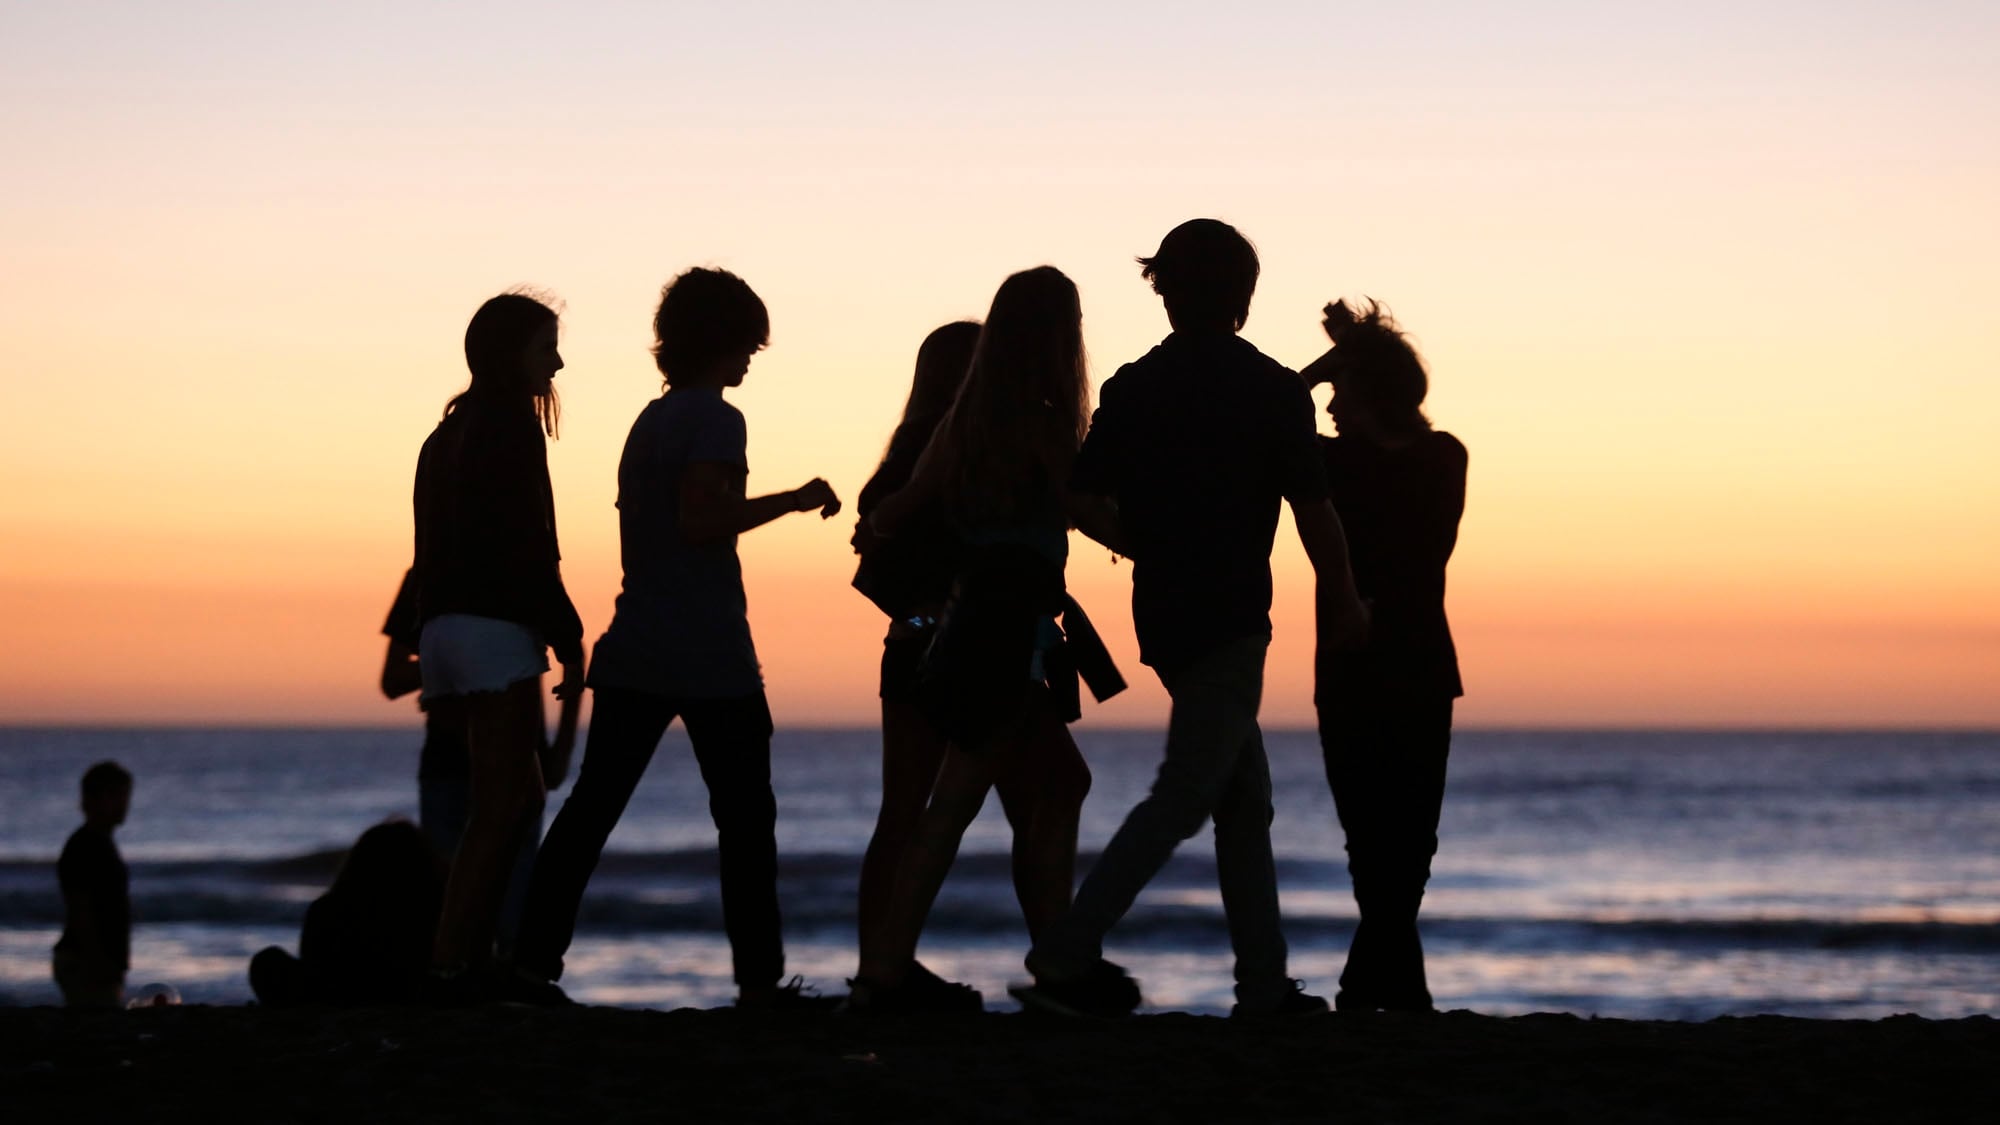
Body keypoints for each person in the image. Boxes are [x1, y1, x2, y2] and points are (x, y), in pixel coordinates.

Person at [1014, 220, 1370, 1019]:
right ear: (1243, 296)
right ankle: (1065, 950)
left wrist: (1145, 543)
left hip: (1167, 615)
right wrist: (1344, 601)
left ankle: (1264, 986)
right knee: (1186, 793)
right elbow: (1316, 514)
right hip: (1233, 616)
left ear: (1165, 291)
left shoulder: (1135, 386)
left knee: (1242, 796)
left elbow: (1077, 496)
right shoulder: (1273, 390)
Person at [514, 268, 841, 1010]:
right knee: (747, 820)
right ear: (720, 343)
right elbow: (702, 520)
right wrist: (791, 500)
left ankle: (529, 962)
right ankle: (760, 983)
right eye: (745, 346)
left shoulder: (649, 421)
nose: (750, 360)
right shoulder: (717, 421)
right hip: (707, 649)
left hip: (636, 641)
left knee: (592, 809)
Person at [848, 278, 1117, 1013]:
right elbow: (1088, 511)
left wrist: (903, 537)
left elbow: (888, 515)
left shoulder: (957, 429)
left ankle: (907, 967)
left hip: (973, 633)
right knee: (960, 803)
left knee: (1024, 789)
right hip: (997, 637)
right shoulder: (1040, 424)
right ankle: (906, 972)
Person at [411, 291, 584, 1002]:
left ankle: (476, 952)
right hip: (492, 629)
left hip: (444, 629)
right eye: (547, 347)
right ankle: (456, 960)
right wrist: (567, 630)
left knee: (513, 795)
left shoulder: (442, 435)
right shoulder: (510, 429)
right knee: (501, 803)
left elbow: (428, 548)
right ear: (510, 353)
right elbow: (527, 547)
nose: (559, 361)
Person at [1300, 299, 1466, 1013]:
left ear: (1370, 392)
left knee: (1408, 838)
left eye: (1341, 392)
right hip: (1358, 664)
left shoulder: (1438, 455)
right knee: (1373, 838)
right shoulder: (1327, 461)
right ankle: (1392, 990)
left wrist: (1339, 362)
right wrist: (1336, 361)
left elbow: (1420, 553)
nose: (1329, 405)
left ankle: (1371, 986)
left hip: (1411, 662)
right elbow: (1280, 410)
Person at [380, 569, 576, 956]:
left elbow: (571, 651)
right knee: (453, 900)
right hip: (451, 765)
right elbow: (392, 677)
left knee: (511, 907)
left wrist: (560, 750)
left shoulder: (524, 563)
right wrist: (460, 664)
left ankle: (501, 981)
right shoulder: (426, 575)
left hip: (515, 758)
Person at [248, 820, 444, 1006]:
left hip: (332, 995)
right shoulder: (429, 909)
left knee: (268, 960)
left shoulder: (328, 909)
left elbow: (311, 962)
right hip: (398, 993)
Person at [53, 760, 133, 1008]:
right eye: (117, 796)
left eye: (124, 796)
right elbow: (81, 907)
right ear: (95, 799)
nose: (124, 805)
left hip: (92, 961)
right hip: (86, 963)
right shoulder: (86, 846)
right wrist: (98, 961)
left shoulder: (98, 843)